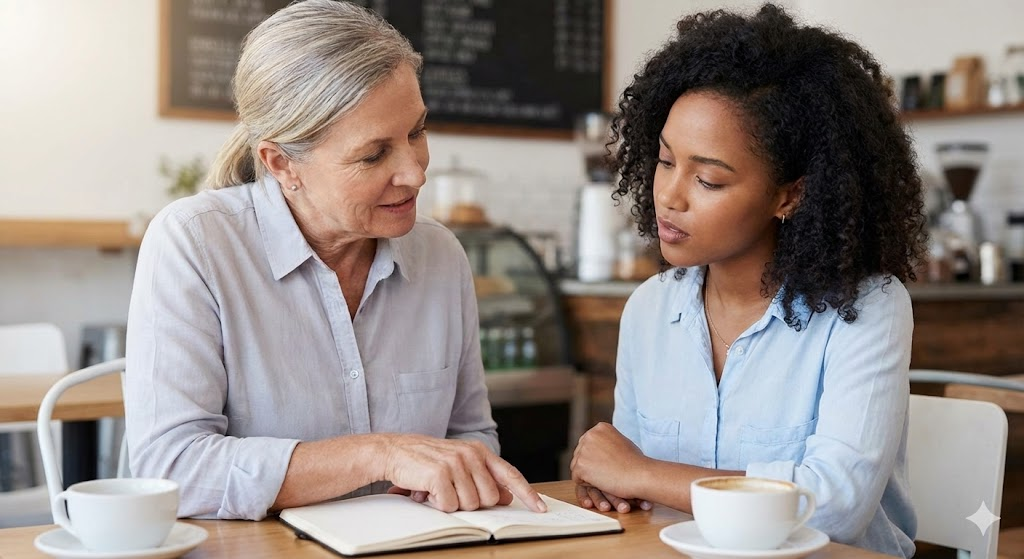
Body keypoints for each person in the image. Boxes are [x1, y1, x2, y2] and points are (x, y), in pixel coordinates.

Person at [124, 0, 546, 520]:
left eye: (416, 132)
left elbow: (469, 436)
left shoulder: (440, 256)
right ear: (281, 164)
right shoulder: (196, 244)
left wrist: (456, 475)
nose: (415, 173)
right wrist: (381, 454)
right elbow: (168, 469)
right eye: (373, 155)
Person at [569, 4, 925, 558]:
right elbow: (629, 490)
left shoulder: (868, 308)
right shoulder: (649, 310)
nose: (670, 195)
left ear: (790, 195)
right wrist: (616, 482)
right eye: (665, 162)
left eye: (708, 179)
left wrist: (640, 472)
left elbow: (835, 506)